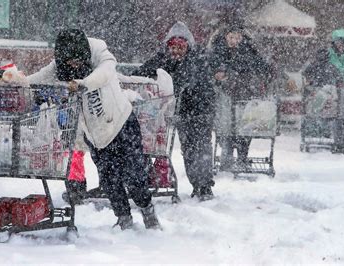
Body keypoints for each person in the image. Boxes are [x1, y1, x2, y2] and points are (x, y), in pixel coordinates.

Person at [27, 29, 160, 230]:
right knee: (109, 179)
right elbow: (38, 78)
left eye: (77, 59)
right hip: (96, 135)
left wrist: (84, 84)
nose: (74, 64)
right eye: (69, 60)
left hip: (121, 124)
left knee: (134, 176)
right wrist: (15, 82)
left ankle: (148, 211)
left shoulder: (100, 53)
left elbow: (105, 74)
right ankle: (123, 218)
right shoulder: (61, 66)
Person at [132, 21, 216, 201]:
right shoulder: (162, 59)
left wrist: (171, 84)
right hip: (180, 111)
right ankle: (198, 184)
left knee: (200, 147)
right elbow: (141, 73)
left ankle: (204, 185)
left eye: (181, 47)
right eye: (173, 48)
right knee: (189, 148)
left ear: (188, 47)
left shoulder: (197, 60)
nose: (176, 52)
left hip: (200, 110)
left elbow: (191, 82)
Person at [209, 20, 271, 171]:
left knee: (245, 127)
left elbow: (260, 66)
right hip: (225, 95)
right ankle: (227, 158)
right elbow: (211, 67)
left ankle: (242, 158)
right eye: (231, 37)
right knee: (226, 128)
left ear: (242, 38)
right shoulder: (217, 50)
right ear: (226, 37)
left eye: (237, 38)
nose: (234, 41)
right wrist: (218, 74)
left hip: (244, 94)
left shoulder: (248, 51)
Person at [303, 48, 344, 152]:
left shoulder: (314, 66)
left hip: (321, 94)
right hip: (326, 96)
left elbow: (305, 77)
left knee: (315, 111)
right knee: (328, 112)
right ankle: (323, 131)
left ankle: (316, 130)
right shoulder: (330, 67)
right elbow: (340, 80)